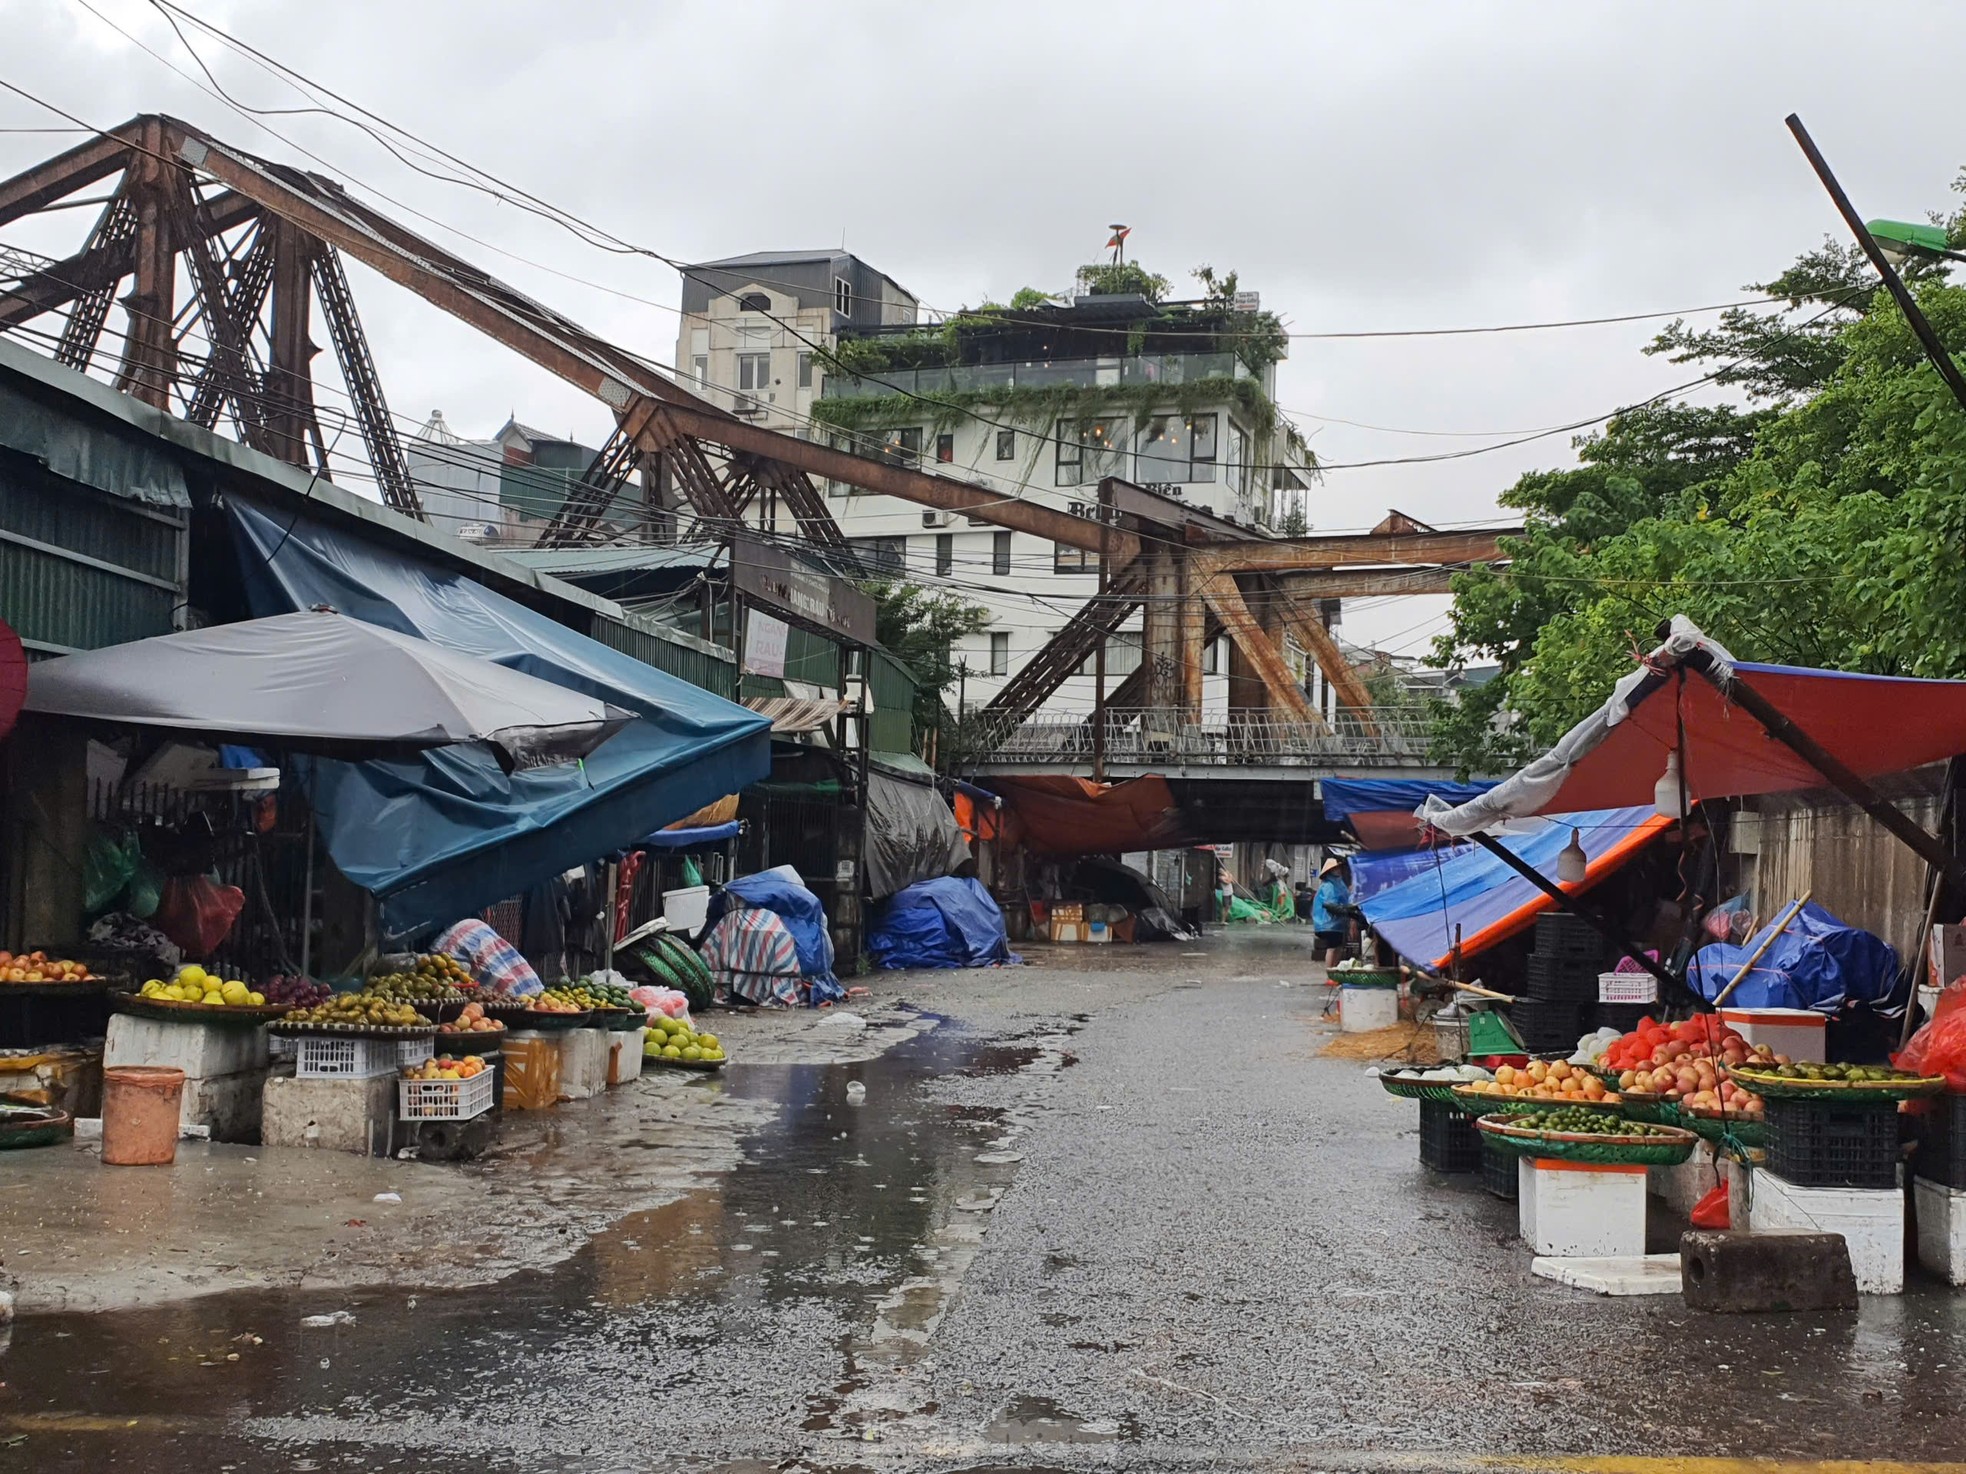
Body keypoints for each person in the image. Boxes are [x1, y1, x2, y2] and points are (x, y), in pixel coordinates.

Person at [1311, 857, 1353, 968]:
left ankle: (1334, 971)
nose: (1338, 870)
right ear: (1330, 871)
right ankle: (1330, 972)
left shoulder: (1338, 884)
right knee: (1333, 947)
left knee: (1337, 947)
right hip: (1329, 924)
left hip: (1337, 924)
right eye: (1335, 868)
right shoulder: (1328, 886)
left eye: (1338, 868)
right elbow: (1330, 904)